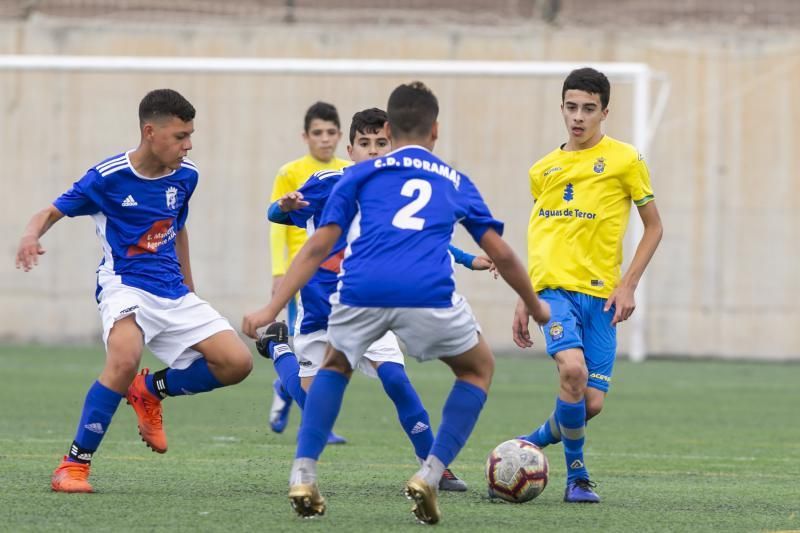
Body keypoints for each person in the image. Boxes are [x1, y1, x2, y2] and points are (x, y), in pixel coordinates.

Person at [243, 82, 550, 524]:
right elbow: (500, 251)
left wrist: (270, 310)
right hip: (427, 294)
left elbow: (316, 246)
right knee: (477, 369)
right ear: (436, 130)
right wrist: (535, 305)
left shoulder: (356, 176)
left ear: (389, 129)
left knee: (335, 367)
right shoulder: (453, 179)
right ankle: (431, 472)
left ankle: (303, 475)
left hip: (361, 291)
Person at [15, 89, 253, 493]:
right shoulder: (107, 178)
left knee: (237, 362)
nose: (188, 144)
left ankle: (149, 390)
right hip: (125, 285)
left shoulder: (187, 175)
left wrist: (190, 289)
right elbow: (51, 211)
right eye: (180, 136)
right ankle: (73, 466)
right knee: (124, 358)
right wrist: (29, 235)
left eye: (190, 135)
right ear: (150, 132)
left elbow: (178, 230)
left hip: (172, 291)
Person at [261, 107, 495, 492]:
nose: (373, 151)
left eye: (380, 143)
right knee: (311, 401)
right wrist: (284, 206)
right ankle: (279, 350)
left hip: (368, 301)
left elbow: (422, 239)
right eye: (364, 144)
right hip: (321, 311)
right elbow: (276, 213)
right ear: (349, 150)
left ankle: (434, 465)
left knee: (396, 379)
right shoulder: (330, 180)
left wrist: (471, 259)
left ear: (392, 144)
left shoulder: (394, 187)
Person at [512, 67, 663, 503]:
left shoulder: (626, 160)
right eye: (571, 107)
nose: (578, 117)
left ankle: (529, 444)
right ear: (561, 108)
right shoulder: (543, 170)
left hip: (601, 298)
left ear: (605, 112)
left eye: (588, 109)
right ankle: (577, 476)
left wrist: (628, 284)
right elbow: (542, 236)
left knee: (589, 404)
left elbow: (653, 227)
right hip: (553, 293)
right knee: (573, 371)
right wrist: (528, 297)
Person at [267, 101, 351, 438]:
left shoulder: (350, 170)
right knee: (308, 347)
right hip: (300, 271)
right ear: (306, 136)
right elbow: (278, 223)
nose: (325, 139)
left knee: (323, 351)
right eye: (318, 133)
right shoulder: (291, 171)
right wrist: (278, 272)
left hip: (335, 272)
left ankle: (283, 388)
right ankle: (318, 424)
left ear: (340, 136)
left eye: (331, 132)